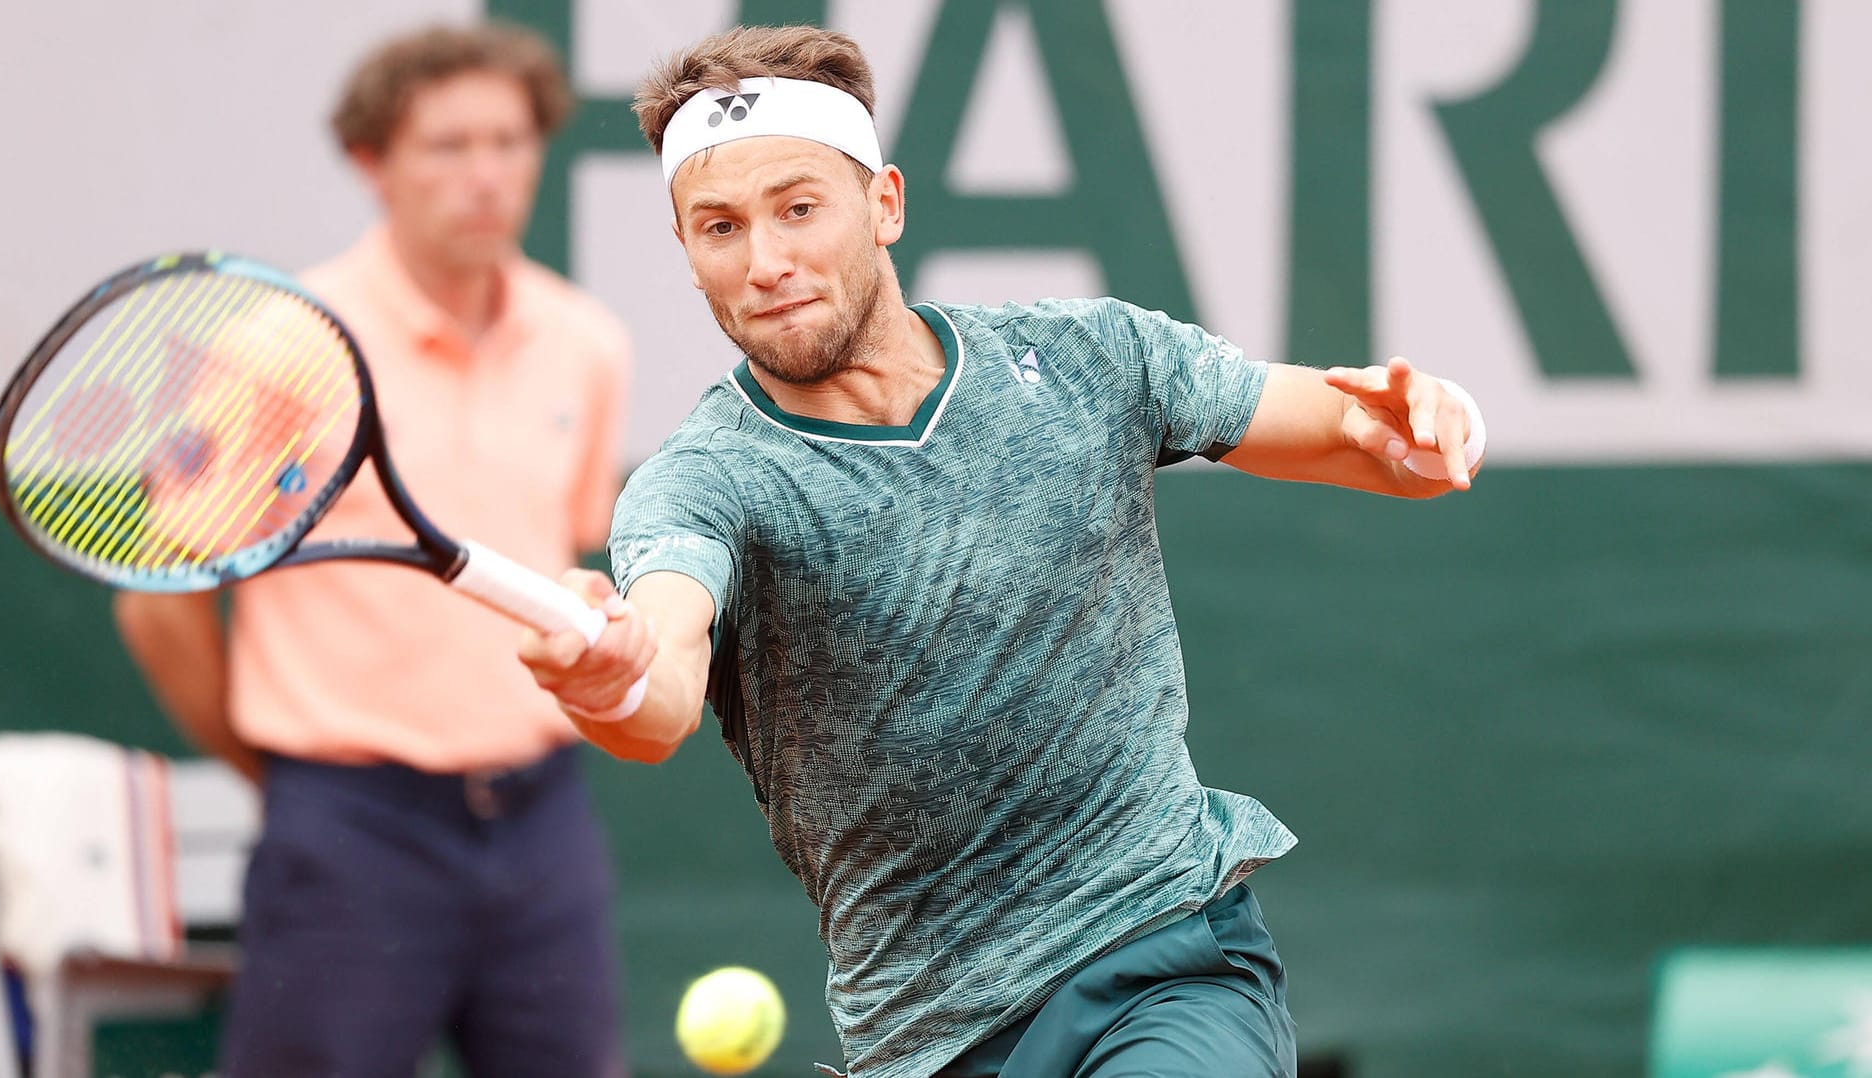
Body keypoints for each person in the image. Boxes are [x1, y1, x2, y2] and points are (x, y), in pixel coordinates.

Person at [519, 24, 1486, 1078]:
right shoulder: (703, 481)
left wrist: (1428, 424)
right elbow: (659, 682)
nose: (767, 263)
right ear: (688, 249)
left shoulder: (1087, 357)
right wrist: (607, 677)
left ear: (884, 203)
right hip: (930, 1037)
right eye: (720, 227)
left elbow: (1356, 431)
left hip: (1160, 952)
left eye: (800, 208)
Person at [112, 23, 634, 1078]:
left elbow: (567, 555)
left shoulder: (587, 343)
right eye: (447, 146)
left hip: (545, 825)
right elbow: (161, 602)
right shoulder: (282, 345)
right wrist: (281, 775)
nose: (485, 175)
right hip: (349, 833)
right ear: (372, 163)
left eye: (508, 141)